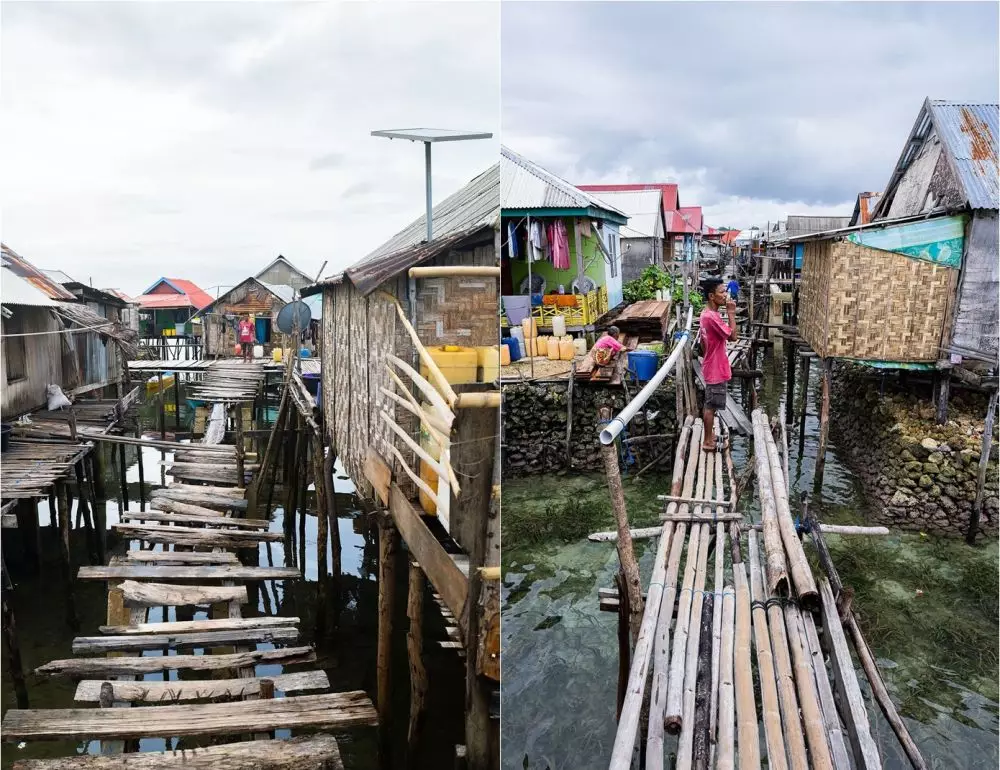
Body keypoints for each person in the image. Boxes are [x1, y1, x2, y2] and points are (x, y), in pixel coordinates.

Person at [699, 280, 737, 451]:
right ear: (711, 296)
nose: (725, 295)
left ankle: (709, 435)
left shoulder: (705, 314)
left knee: (711, 405)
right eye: (722, 292)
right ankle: (707, 442)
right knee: (711, 406)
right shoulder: (712, 317)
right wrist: (731, 313)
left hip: (711, 364)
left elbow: (702, 342)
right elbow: (733, 336)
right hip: (715, 368)